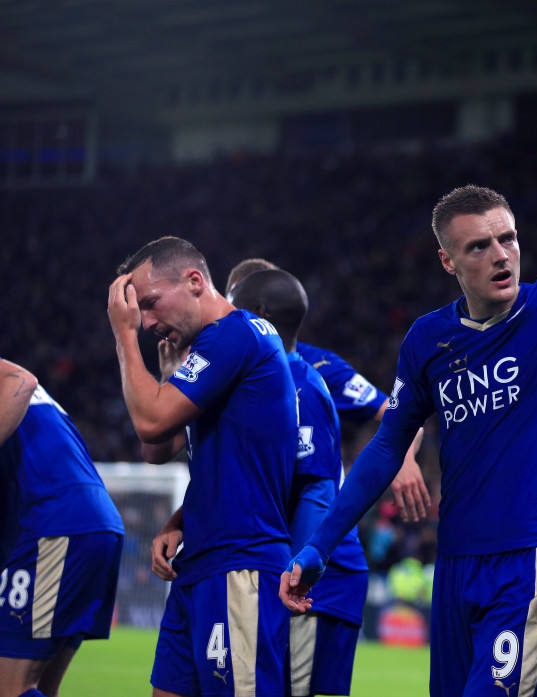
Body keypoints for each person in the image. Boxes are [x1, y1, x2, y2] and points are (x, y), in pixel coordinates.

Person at [282, 23, 537, 697]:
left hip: (535, 554)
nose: (502, 254)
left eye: (508, 238)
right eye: (480, 246)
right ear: (448, 260)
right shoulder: (427, 341)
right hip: (457, 562)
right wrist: (317, 544)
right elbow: (388, 445)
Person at [107, 236, 297, 696]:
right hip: (202, 563)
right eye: (138, 310)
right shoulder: (215, 349)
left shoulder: (235, 334)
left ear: (195, 281)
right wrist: (180, 519)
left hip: (241, 562)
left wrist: (124, 334)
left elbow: (151, 423)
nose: (147, 320)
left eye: (151, 303)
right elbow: (160, 450)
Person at [228, 268, 368, 697]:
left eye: (233, 309)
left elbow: (316, 489)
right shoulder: (253, 376)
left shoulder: (300, 384)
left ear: (260, 315)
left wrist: (298, 567)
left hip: (315, 575)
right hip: (299, 570)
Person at [225, 258, 431, 523]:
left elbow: (405, 419)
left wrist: (402, 458)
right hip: (261, 532)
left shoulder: (320, 366)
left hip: (321, 540)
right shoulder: (224, 373)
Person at [0, 359, 124, 697]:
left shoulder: (9, 384)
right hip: (84, 523)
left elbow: (20, 379)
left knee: (9, 687)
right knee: (39, 687)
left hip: (55, 524)